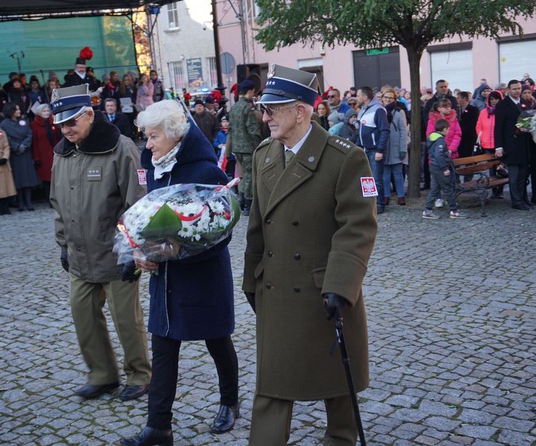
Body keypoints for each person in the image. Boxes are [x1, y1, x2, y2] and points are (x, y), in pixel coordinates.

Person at [242, 64, 377, 446]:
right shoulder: (264, 154)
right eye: (264, 109)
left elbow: (358, 227)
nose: (264, 116)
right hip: (277, 288)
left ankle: (340, 438)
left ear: (301, 110)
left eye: (273, 109)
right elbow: (257, 225)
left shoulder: (344, 158)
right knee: (272, 381)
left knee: (336, 379)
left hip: (324, 290)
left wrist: (340, 286)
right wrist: (251, 279)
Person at [120, 100, 239, 446]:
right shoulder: (155, 168)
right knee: (164, 346)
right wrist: (140, 252)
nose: (148, 144)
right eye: (146, 136)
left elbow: (222, 229)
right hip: (165, 277)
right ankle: (158, 426)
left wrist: (182, 248)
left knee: (217, 339)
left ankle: (229, 402)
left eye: (154, 136)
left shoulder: (205, 171)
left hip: (202, 275)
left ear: (174, 136)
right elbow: (149, 223)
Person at [49, 84, 151, 402]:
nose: (66, 130)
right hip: (80, 255)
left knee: (126, 319)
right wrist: (64, 244)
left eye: (71, 123)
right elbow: (58, 202)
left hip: (115, 253)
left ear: (90, 115)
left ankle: (139, 375)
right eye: (61, 124)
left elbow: (137, 204)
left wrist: (132, 249)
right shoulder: (61, 153)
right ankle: (102, 375)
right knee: (83, 315)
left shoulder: (121, 148)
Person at [495, 80, 531, 210]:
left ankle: (522, 198)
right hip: (510, 144)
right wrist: (498, 146)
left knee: (523, 174)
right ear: (508, 90)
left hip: (523, 143)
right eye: (514, 89)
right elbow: (498, 127)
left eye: (519, 88)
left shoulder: (523, 103)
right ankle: (516, 201)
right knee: (514, 176)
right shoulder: (503, 105)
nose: (517, 91)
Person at [228, 79, 262, 215]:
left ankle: (241, 199)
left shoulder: (234, 107)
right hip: (248, 147)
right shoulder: (247, 108)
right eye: (253, 91)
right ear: (250, 91)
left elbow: (230, 129)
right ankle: (248, 203)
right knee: (250, 175)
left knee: (243, 175)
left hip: (237, 147)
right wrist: (259, 145)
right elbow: (253, 129)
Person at [354, 86, 389, 214]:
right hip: (364, 149)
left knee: (376, 178)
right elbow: (360, 132)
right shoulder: (363, 110)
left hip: (375, 150)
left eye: (358, 95)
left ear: (365, 97)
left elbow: (384, 131)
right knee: (366, 179)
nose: (356, 98)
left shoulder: (378, 110)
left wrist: (380, 150)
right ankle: (369, 203)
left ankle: (380, 204)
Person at [422, 119, 466, 219]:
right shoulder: (440, 140)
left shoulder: (432, 137)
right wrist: (445, 168)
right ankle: (454, 210)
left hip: (433, 166)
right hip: (439, 168)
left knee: (434, 189)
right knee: (448, 188)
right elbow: (439, 155)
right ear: (444, 129)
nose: (448, 131)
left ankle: (427, 210)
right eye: (448, 129)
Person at [0, 102, 38, 211]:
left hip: (25, 152)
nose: (19, 111)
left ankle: (29, 202)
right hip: (15, 153)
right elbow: (6, 138)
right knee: (18, 178)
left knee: (27, 177)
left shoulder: (24, 121)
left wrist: (24, 145)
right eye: (16, 109)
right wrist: (16, 147)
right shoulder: (4, 124)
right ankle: (20, 202)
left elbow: (29, 134)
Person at [475, 90, 505, 199]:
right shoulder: (484, 112)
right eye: (491, 99)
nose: (494, 101)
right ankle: (494, 191)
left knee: (500, 168)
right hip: (487, 144)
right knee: (491, 168)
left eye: (496, 98)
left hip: (499, 144)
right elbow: (478, 126)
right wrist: (481, 137)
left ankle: (500, 190)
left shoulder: (502, 111)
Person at [381, 88, 407, 205]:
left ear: (395, 99)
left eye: (390, 98)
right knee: (385, 174)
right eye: (386, 97)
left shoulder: (399, 112)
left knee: (398, 174)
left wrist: (403, 149)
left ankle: (401, 195)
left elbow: (403, 131)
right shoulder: (379, 111)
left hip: (396, 147)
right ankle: (386, 195)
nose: (388, 100)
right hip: (384, 147)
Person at [30, 103, 61, 203]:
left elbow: (58, 138)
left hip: (53, 153)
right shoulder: (34, 124)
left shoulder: (54, 123)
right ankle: (49, 199)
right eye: (44, 111)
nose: (46, 113)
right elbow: (34, 142)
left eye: (48, 111)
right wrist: (36, 158)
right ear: (39, 113)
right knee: (46, 179)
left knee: (56, 177)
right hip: (42, 155)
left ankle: (58, 198)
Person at [521, 84, 536, 205]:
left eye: (529, 92)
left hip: (534, 141)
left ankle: (535, 195)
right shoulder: (520, 105)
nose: (527, 95)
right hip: (524, 141)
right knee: (525, 171)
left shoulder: (535, 104)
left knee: (535, 170)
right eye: (525, 93)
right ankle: (524, 195)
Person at [456, 91, 480, 159]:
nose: (457, 100)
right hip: (460, 138)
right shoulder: (457, 110)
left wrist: (461, 130)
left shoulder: (473, 110)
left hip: (469, 138)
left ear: (464, 98)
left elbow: (473, 123)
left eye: (458, 98)